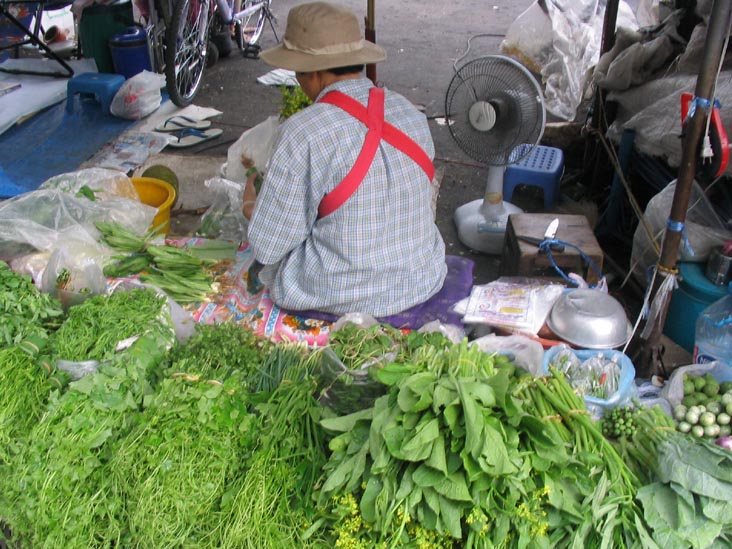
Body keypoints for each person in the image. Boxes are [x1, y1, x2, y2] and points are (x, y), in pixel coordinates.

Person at [245, 1, 446, 317]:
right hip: (419, 280)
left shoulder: (303, 132)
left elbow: (268, 247)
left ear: (310, 74)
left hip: (341, 295)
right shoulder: (410, 112)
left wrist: (250, 206)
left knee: (269, 257)